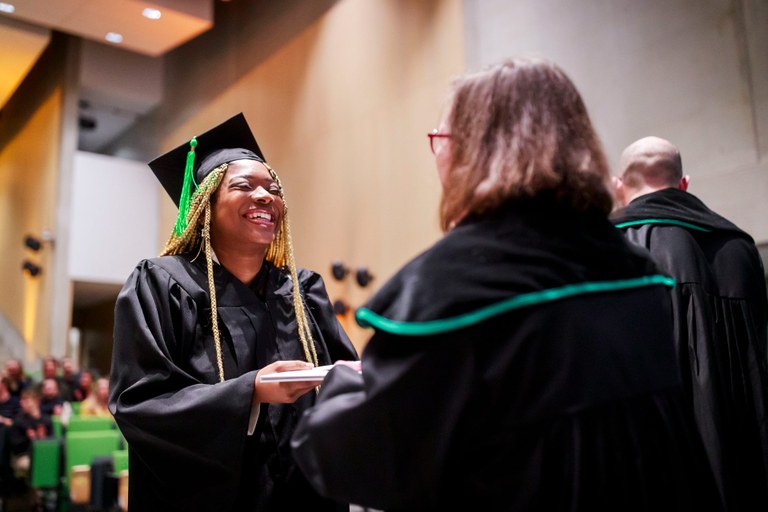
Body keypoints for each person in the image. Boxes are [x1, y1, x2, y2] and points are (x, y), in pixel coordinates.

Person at [291, 58, 722, 511]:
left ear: (472, 152)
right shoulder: (634, 267)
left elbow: (354, 457)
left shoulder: (452, 290)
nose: (437, 156)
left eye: (440, 140)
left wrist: (342, 382)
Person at [109, 112, 358, 512]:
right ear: (205, 205)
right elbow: (140, 403)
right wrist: (251, 391)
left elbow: (344, 388)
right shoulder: (161, 284)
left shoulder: (302, 291)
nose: (265, 196)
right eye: (244, 186)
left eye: (273, 189)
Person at [611, 135, 768, 511]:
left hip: (663, 473)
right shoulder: (741, 248)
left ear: (619, 186)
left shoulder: (615, 250)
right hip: (744, 468)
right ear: (684, 183)